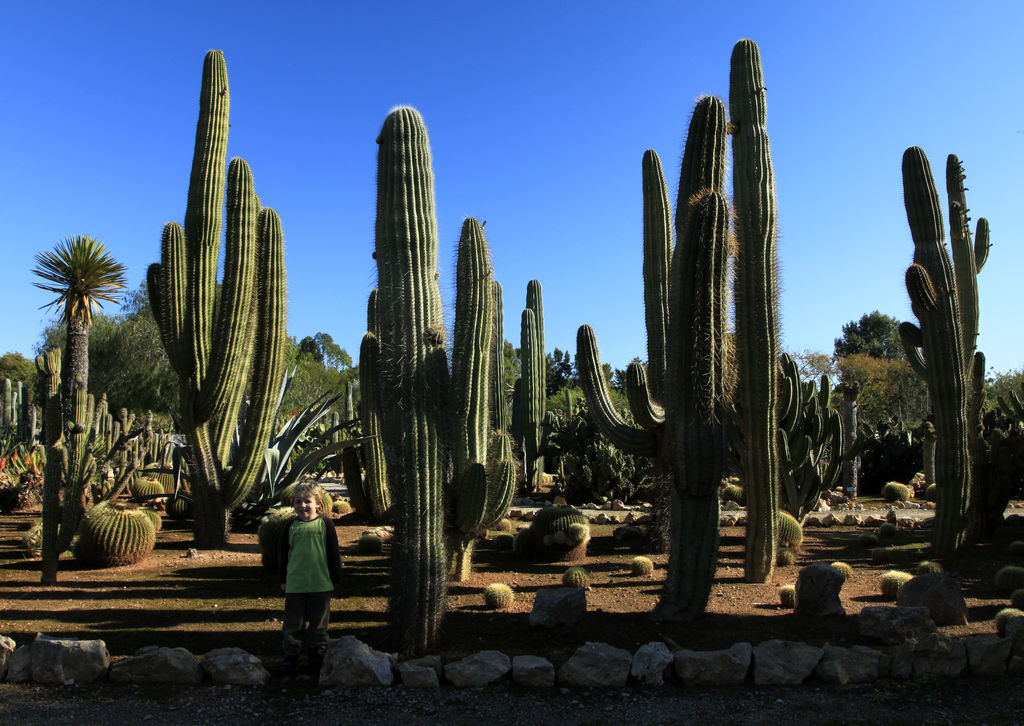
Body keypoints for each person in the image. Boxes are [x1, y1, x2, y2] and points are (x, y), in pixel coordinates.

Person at [278, 482, 343, 674]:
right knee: (293, 623)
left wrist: (335, 576)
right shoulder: (290, 525)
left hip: (320, 583)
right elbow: (283, 554)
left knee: (319, 622)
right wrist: (283, 579)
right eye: (298, 502)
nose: (302, 506)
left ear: (318, 503)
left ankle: (317, 653)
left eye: (307, 501)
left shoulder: (325, 524)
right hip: (295, 583)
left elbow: (333, 553)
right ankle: (291, 656)